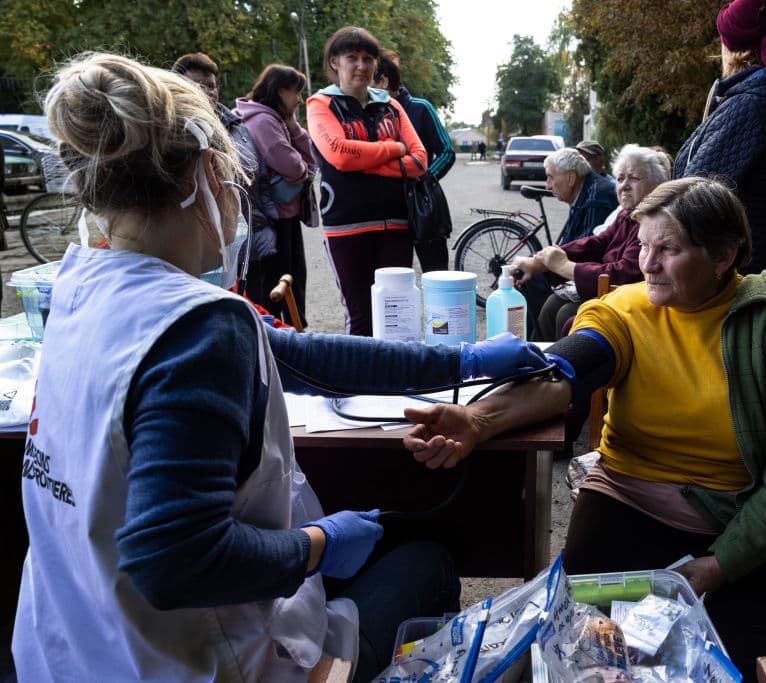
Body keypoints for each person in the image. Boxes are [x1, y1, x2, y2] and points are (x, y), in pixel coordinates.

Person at [16, 52, 549, 683]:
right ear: (209, 175)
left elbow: (301, 355)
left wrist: (460, 358)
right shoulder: (196, 325)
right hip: (192, 663)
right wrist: (314, 546)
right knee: (427, 563)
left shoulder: (79, 287)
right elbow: (173, 561)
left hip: (68, 649)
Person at [403, 178, 766, 682]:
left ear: (724, 255)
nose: (646, 264)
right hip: (627, 497)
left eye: (669, 249)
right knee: (579, 654)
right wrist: (477, 420)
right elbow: (566, 376)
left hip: (740, 518)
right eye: (643, 245)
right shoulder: (626, 309)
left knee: (724, 668)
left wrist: (717, 567)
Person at [672, 0, 766, 282]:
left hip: (723, 277)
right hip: (757, 265)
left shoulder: (751, 106)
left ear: (733, 49)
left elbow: (690, 198)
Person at [308, 26, 428, 336]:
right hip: (347, 226)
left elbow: (419, 160)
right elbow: (340, 154)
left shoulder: (391, 105)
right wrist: (393, 149)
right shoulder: (321, 104)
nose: (361, 66)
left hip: (397, 224)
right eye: (352, 58)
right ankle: (362, 385)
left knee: (398, 315)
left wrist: (366, 163)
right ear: (335, 62)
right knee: (360, 317)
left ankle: (401, 383)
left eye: (368, 58)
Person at [512, 144, 666, 341]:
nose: (624, 185)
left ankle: (564, 368)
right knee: (552, 305)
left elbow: (624, 273)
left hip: (629, 300)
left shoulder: (653, 221)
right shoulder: (627, 214)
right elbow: (596, 243)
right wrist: (541, 261)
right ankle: (538, 366)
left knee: (566, 313)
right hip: (607, 291)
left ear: (656, 184)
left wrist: (566, 266)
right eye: (620, 179)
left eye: (634, 178)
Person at [172, 53, 276, 298]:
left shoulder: (236, 126)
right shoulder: (173, 137)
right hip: (207, 253)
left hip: (254, 240)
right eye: (199, 86)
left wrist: (268, 225)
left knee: (264, 313)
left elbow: (258, 177)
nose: (209, 92)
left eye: (212, 86)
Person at [235, 64, 317, 327]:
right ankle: (292, 347)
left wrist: (293, 125)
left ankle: (296, 336)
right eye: (296, 92)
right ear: (281, 91)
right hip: (275, 220)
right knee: (282, 289)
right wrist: (304, 170)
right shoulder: (263, 121)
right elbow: (296, 167)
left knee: (290, 286)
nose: (299, 99)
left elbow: (310, 158)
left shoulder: (274, 118)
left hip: (283, 216)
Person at [517, 147, 616, 338]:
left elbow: (589, 250)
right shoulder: (585, 190)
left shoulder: (596, 197)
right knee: (532, 277)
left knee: (532, 282)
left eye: (551, 177)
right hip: (588, 271)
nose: (547, 185)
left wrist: (543, 263)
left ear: (571, 178)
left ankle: (535, 349)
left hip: (595, 277)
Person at [373, 50, 455, 272]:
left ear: (383, 80)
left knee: (435, 275)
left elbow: (447, 152)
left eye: (371, 79)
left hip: (423, 207)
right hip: (387, 210)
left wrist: (423, 181)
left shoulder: (420, 108)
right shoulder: (370, 112)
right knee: (394, 279)